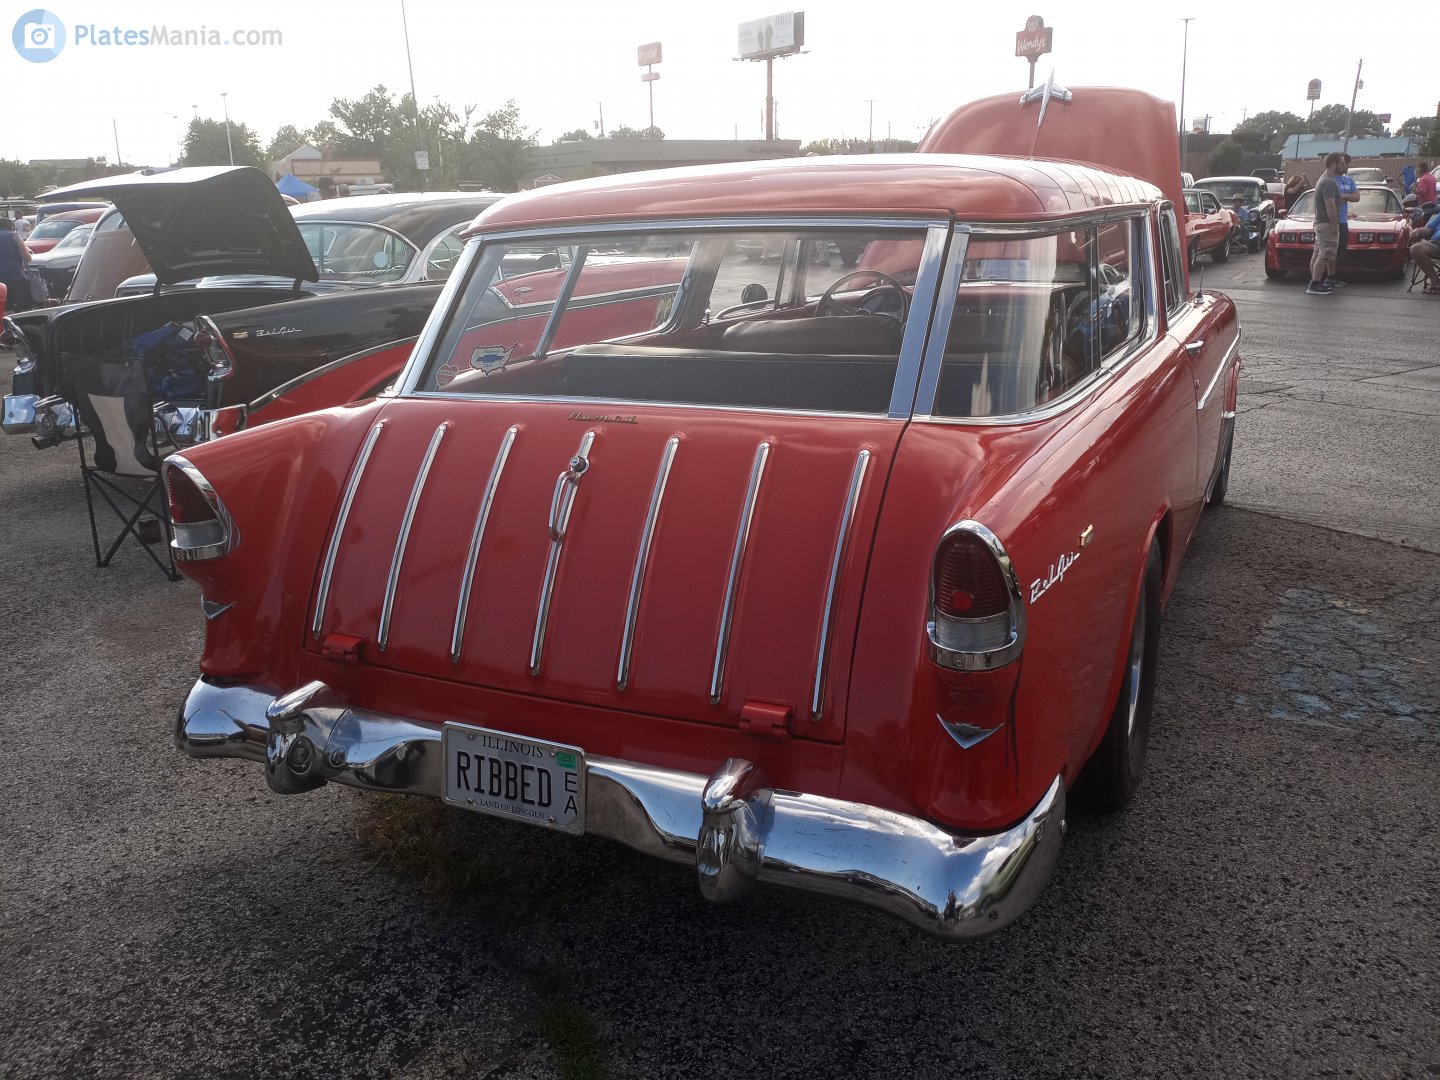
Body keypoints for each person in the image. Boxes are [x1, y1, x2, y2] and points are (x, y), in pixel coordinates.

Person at [1308, 152, 1345, 296]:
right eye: (1341, 163)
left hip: (1321, 223)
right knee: (1325, 254)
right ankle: (1315, 284)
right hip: (1326, 224)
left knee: (1318, 253)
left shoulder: (1324, 179)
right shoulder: (1328, 181)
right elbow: (1330, 205)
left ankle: (1314, 281)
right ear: (1334, 164)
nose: (1344, 166)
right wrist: (1334, 224)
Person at [0, 216, 35, 312]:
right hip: (16, 276)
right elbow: (28, 258)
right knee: (25, 306)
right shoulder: (14, 236)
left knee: (4, 308)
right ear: (11, 227)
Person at [1409, 210, 1440, 293]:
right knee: (1416, 248)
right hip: (1436, 244)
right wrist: (1419, 230)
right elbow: (1429, 229)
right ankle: (1435, 280)